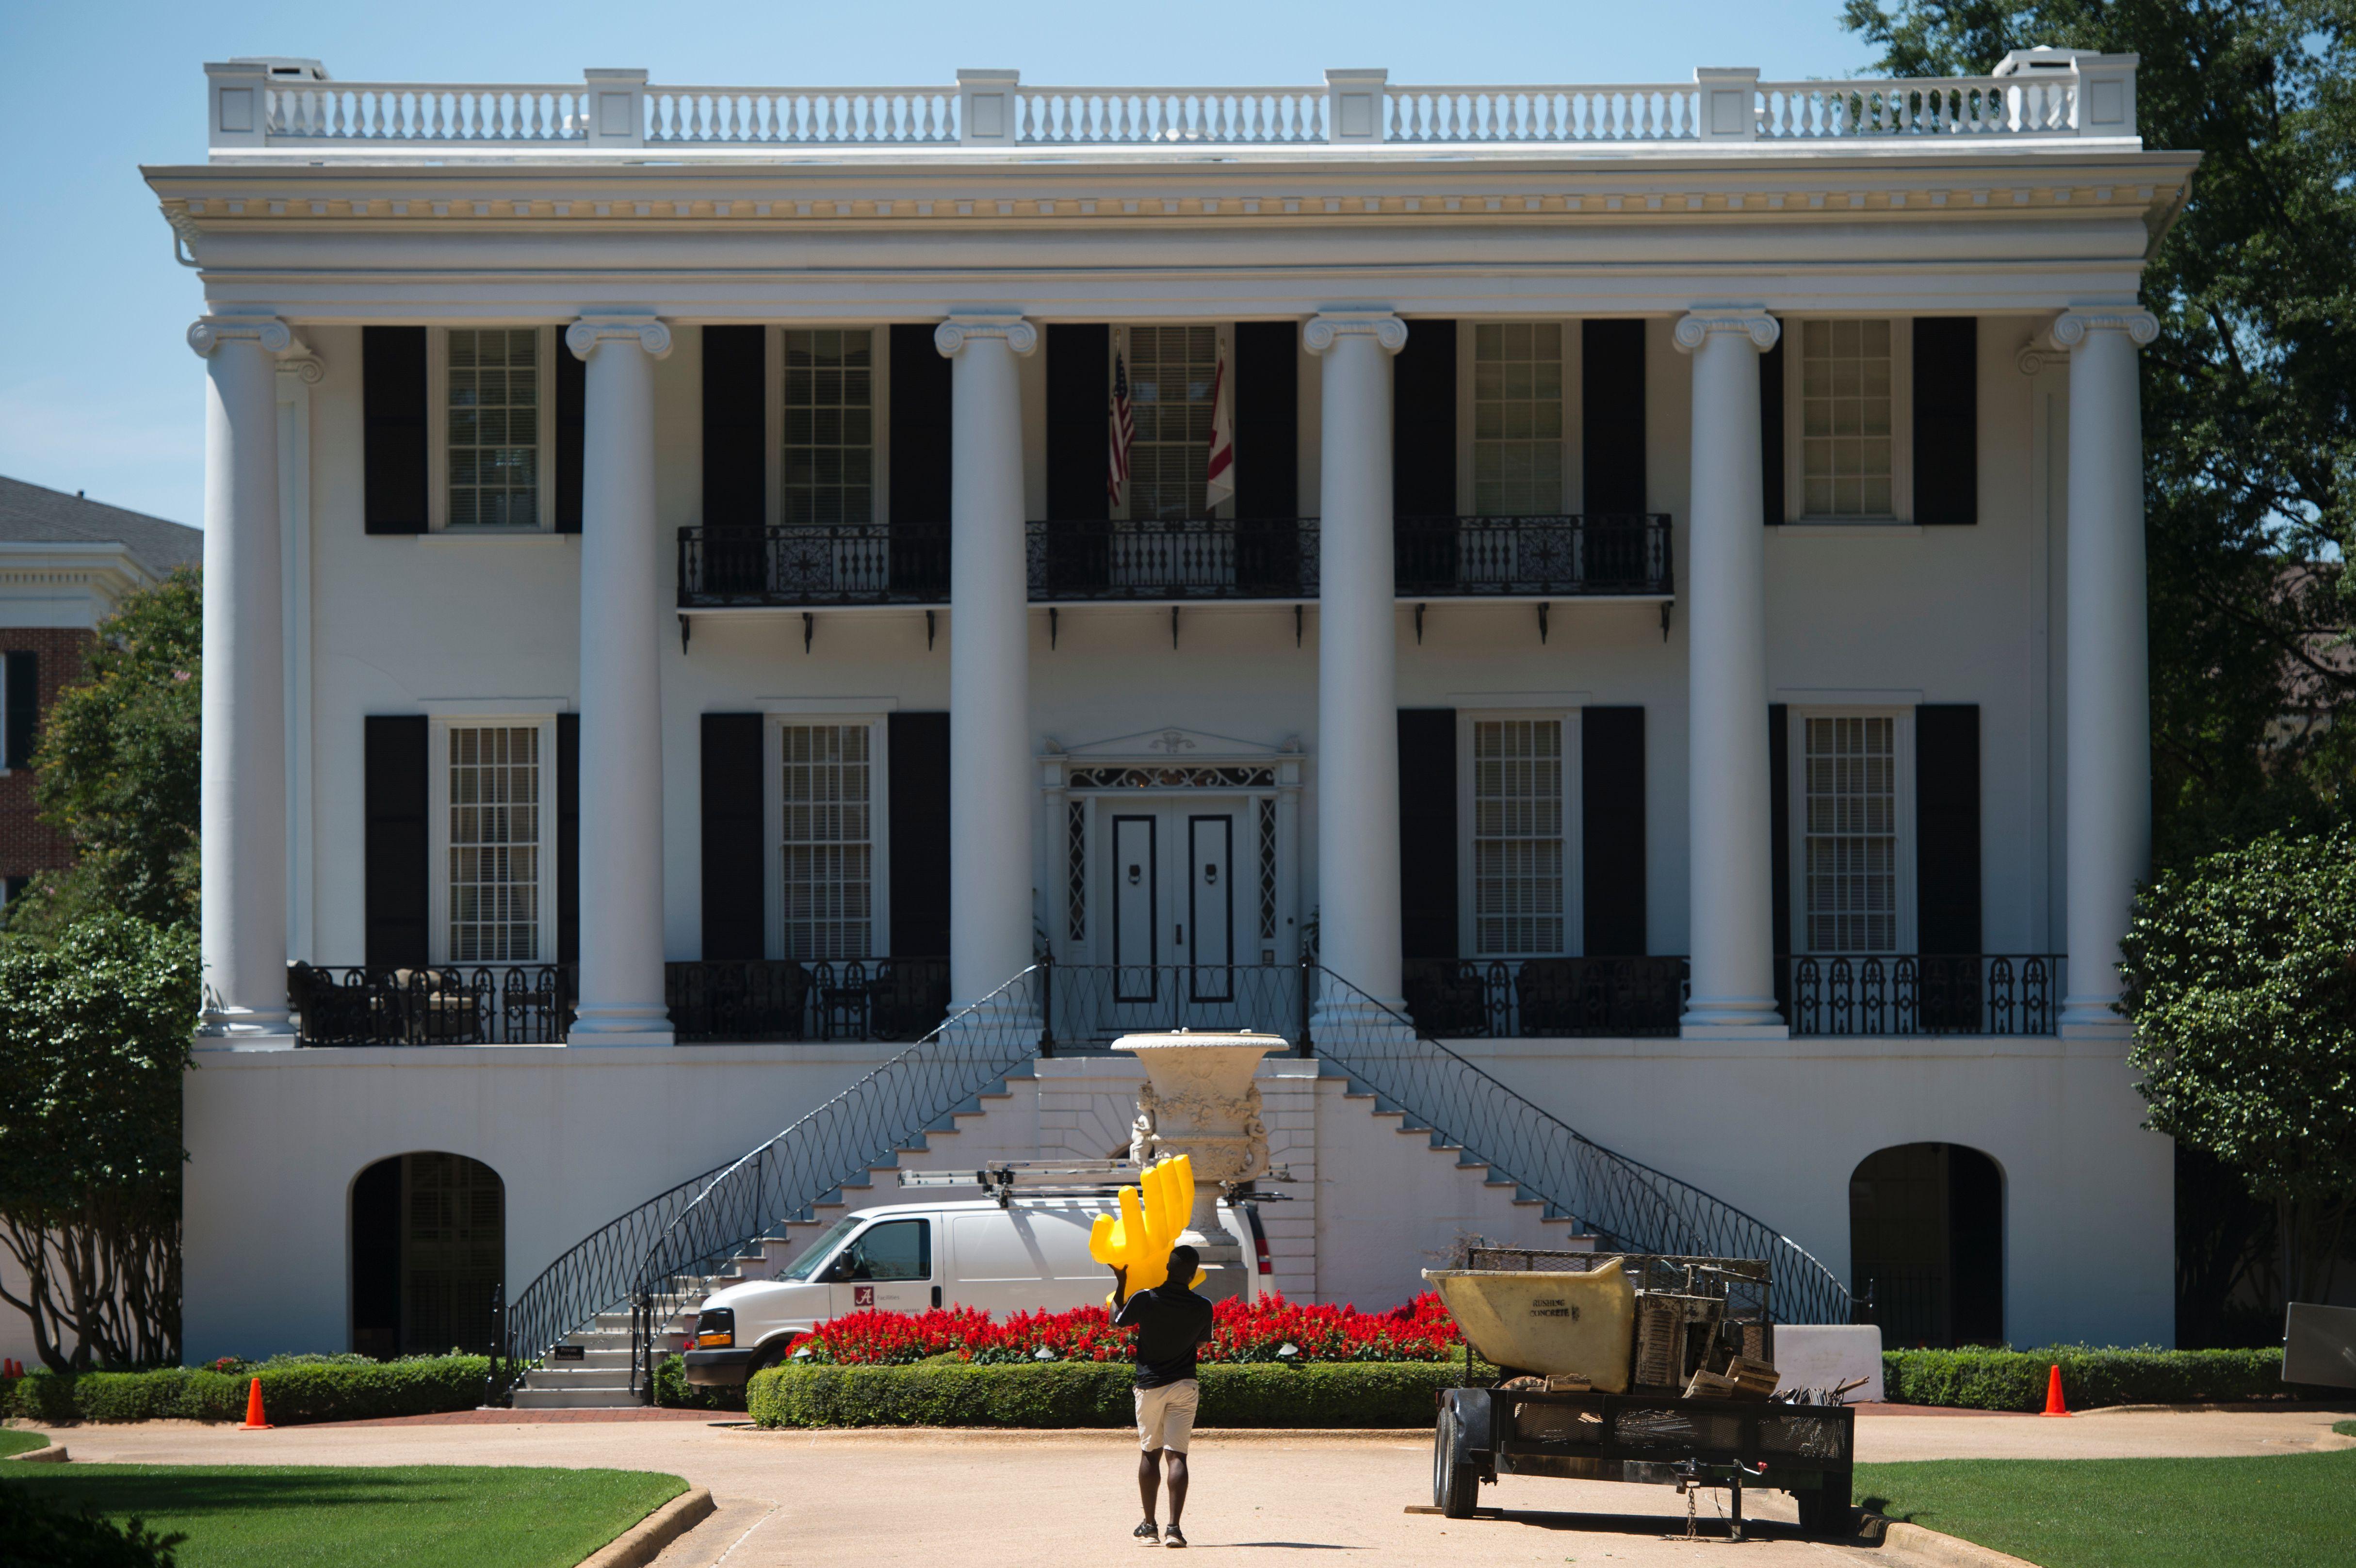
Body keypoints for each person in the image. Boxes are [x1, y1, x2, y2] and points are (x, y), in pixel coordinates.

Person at [1112, 1244, 1216, 1548]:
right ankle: (1175, 1530)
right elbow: (1200, 1344)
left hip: (1151, 1385)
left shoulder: (1146, 1298)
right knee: (1177, 1456)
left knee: (1150, 1453)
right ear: (1193, 1274)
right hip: (1185, 1385)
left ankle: (1150, 1526)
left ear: (1168, 1268)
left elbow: (1116, 1321)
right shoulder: (1204, 1305)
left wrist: (1121, 1283)